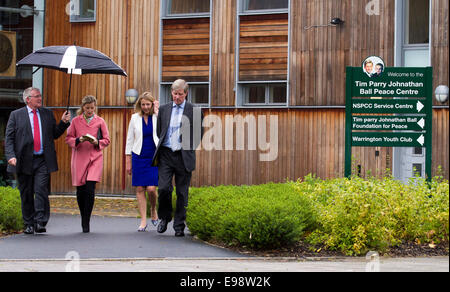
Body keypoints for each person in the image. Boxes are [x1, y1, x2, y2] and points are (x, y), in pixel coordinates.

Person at [5, 87, 71, 235]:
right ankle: (29, 223)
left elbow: (54, 134)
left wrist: (63, 122)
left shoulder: (47, 113)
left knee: (41, 190)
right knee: (26, 193)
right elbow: (9, 138)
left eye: (40, 96)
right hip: (23, 160)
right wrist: (10, 155)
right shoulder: (16, 115)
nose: (40, 98)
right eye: (36, 96)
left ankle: (40, 221)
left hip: (42, 160)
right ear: (28, 99)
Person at [152, 79, 203, 237]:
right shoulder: (164, 109)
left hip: (183, 156)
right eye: (175, 94)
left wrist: (186, 148)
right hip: (166, 154)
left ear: (186, 93)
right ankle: (164, 218)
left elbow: (198, 134)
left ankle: (179, 225)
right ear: (171, 93)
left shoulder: (194, 110)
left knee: (182, 192)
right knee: (164, 189)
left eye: (180, 94)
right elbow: (159, 130)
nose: (177, 97)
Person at [65, 95, 110, 233]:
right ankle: (83, 216)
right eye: (87, 107)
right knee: (81, 191)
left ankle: (86, 221)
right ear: (82, 107)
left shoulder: (100, 121)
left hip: (95, 157)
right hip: (79, 158)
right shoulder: (75, 121)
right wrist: (78, 140)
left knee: (90, 189)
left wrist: (97, 142)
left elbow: (107, 139)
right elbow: (69, 138)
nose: (90, 110)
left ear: (95, 107)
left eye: (92, 107)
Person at [125, 92, 160, 232]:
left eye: (148, 104)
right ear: (139, 104)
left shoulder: (158, 116)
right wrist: (128, 161)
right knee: (140, 189)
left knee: (151, 189)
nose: (145, 107)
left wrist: (157, 111)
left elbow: (164, 130)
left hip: (154, 156)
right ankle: (143, 220)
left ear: (152, 104)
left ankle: (153, 209)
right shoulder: (134, 118)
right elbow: (129, 140)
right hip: (138, 156)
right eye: (143, 104)